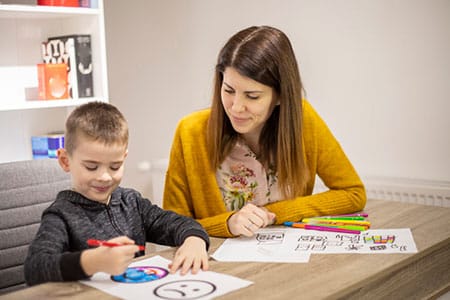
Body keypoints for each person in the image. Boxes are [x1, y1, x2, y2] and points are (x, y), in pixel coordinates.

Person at [163, 25, 366, 238]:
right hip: (216, 265)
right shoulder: (191, 132)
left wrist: (273, 213)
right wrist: (228, 224)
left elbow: (353, 194)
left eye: (252, 96)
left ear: (280, 96)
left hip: (284, 262)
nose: (236, 107)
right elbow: (169, 227)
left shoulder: (303, 120)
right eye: (229, 90)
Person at [24, 102, 209, 286]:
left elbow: (177, 223)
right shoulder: (61, 214)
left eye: (115, 166)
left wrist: (195, 240)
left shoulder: (131, 202)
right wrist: (91, 262)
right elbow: (35, 268)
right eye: (91, 167)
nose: (104, 176)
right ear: (65, 161)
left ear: (124, 158)